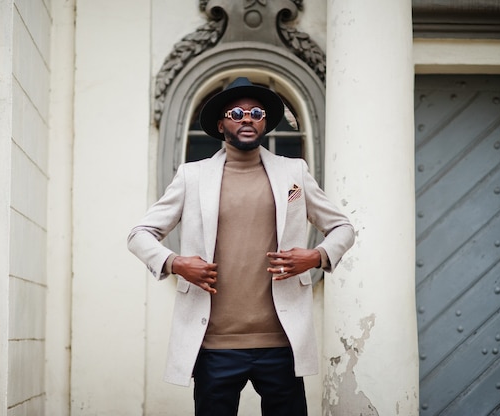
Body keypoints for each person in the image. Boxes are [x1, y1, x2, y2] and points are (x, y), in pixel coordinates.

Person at [127, 77, 355, 416]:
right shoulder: (192, 176)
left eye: (256, 112)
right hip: (214, 345)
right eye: (236, 113)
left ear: (265, 121)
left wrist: (316, 256)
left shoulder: (294, 172)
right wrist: (176, 263)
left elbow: (342, 227)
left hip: (281, 342)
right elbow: (139, 234)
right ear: (221, 124)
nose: (246, 118)